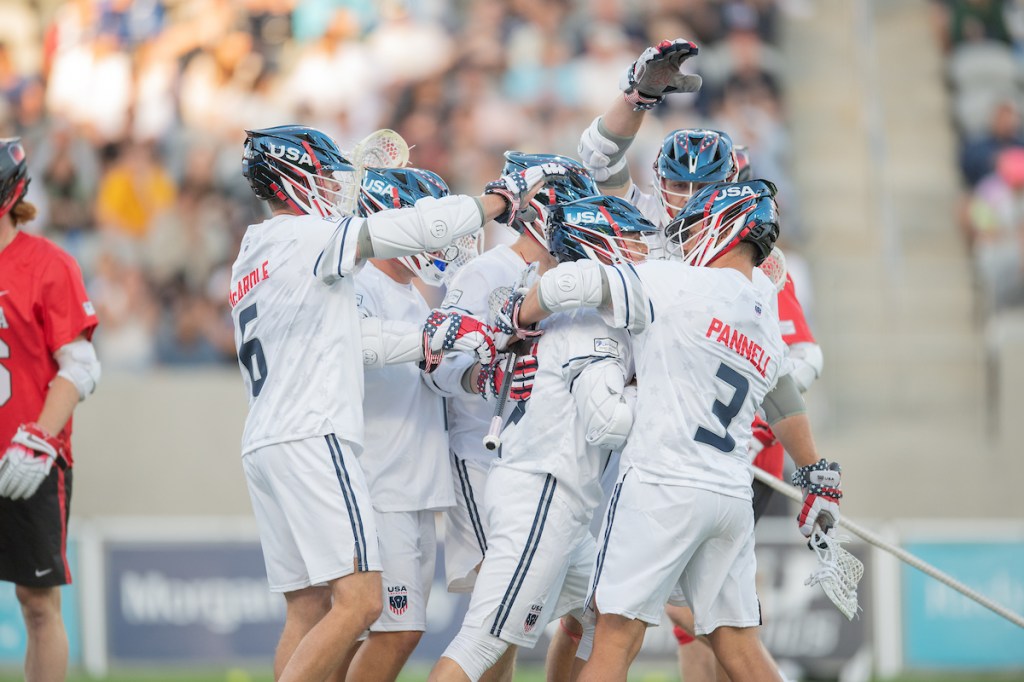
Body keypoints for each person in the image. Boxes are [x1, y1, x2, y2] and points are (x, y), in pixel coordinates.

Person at [232, 125, 564, 682]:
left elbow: (352, 339)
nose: (333, 188)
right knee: (362, 605)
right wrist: (498, 201)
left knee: (312, 608)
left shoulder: (254, 251)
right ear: (292, 178)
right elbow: (372, 320)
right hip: (315, 433)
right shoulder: (309, 239)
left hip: (270, 433)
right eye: (322, 176)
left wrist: (454, 354)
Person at [501, 180, 843, 682]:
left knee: (613, 636)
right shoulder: (764, 315)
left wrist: (515, 317)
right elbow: (784, 400)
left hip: (662, 484)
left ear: (728, 227)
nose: (689, 235)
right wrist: (815, 474)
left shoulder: (673, 281)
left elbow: (570, 284)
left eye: (700, 225)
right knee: (740, 646)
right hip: (729, 495)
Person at [428, 195, 655, 682]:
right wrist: (647, 393)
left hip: (548, 489)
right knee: (480, 643)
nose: (641, 250)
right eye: (632, 238)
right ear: (599, 244)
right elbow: (607, 424)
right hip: (544, 491)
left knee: (604, 614)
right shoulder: (591, 322)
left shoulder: (564, 312)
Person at [424, 151, 599, 682]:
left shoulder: (568, 276)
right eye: (575, 205)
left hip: (538, 459)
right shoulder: (487, 271)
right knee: (493, 627)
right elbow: (436, 364)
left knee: (591, 609)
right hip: (485, 455)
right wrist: (483, 374)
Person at [343, 166, 478, 682]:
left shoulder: (411, 292)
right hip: (381, 480)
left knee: (385, 631)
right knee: (395, 630)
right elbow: (359, 351)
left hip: (412, 482)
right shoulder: (360, 284)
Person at [0, 137, 101, 682]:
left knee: (38, 603)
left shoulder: (48, 264)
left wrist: (38, 436)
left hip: (28, 457)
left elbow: (80, 365)